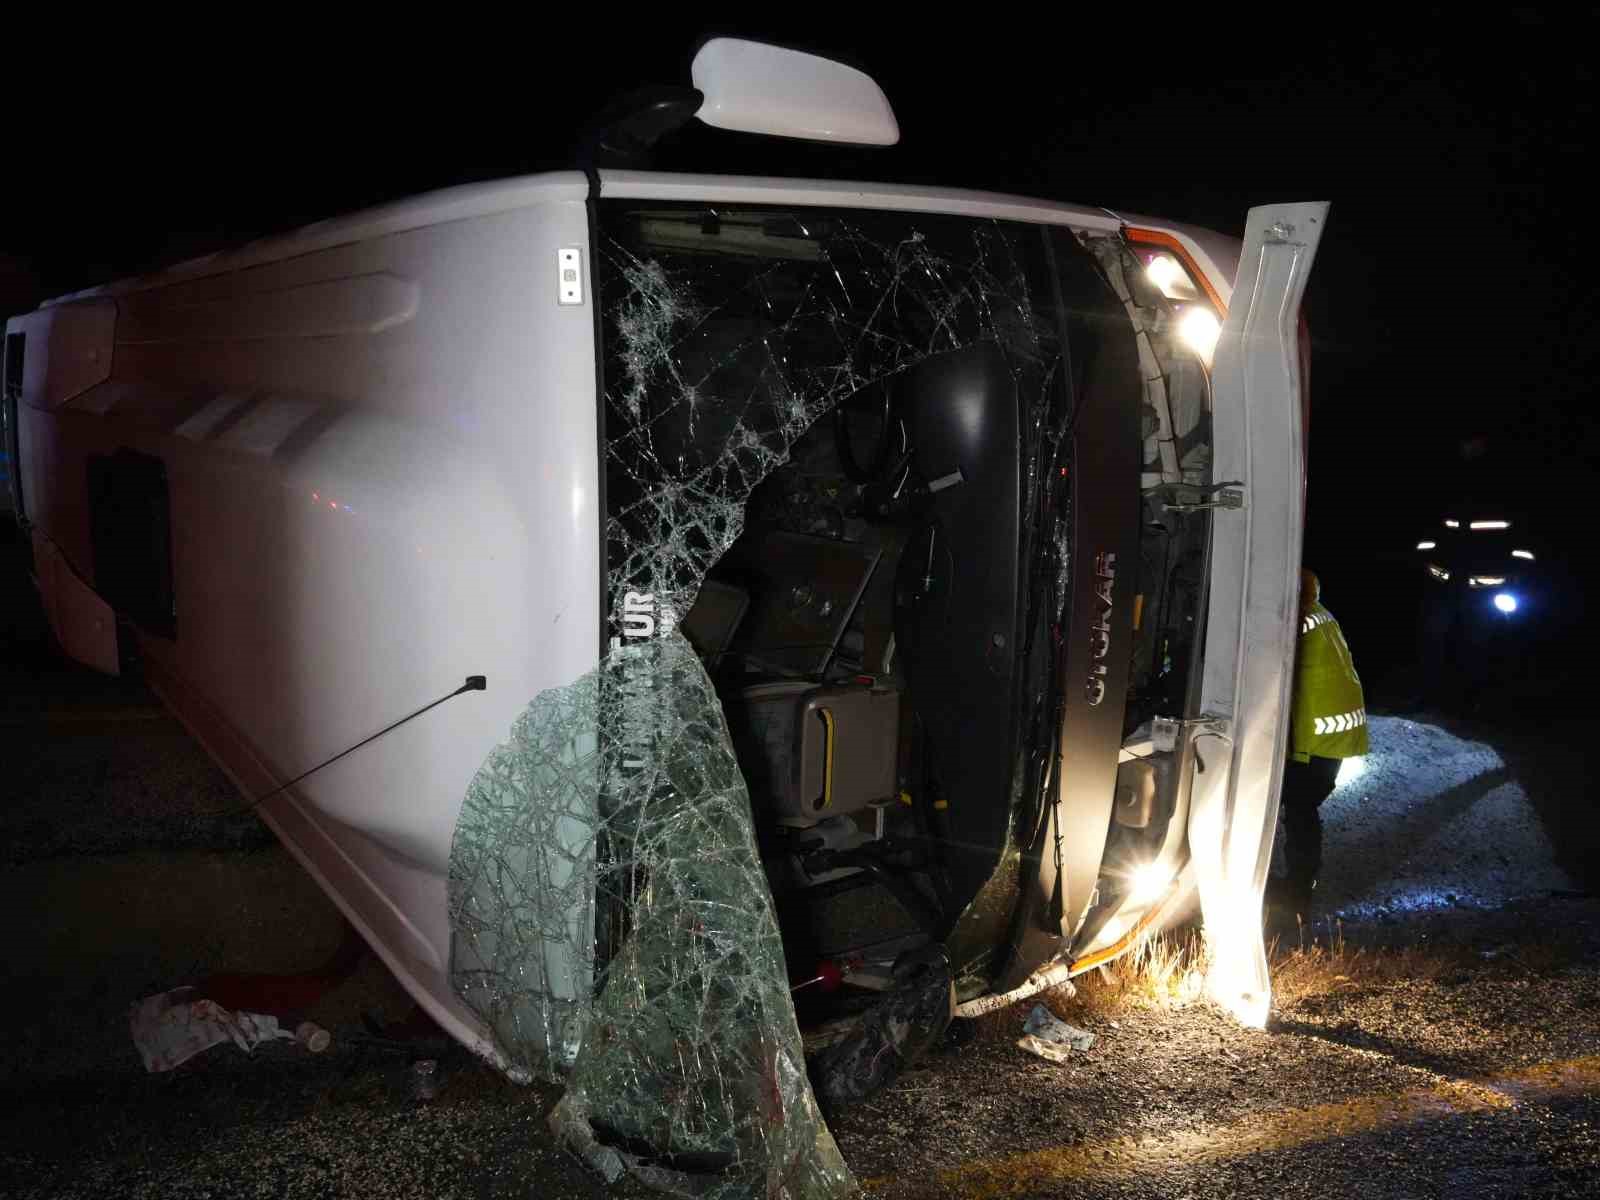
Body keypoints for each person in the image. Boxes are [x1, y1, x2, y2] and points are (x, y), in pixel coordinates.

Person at [1277, 570, 1368, 914]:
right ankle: (1299, 887)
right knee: (1302, 810)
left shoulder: (1296, 623)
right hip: (1329, 739)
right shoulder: (1319, 614)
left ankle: (1297, 893)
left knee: (1299, 811)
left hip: (1312, 741)